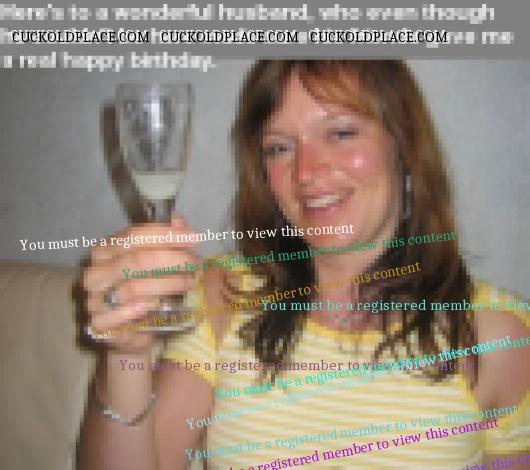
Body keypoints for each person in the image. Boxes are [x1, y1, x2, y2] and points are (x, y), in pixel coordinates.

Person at [79, 61, 530, 470]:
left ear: (405, 145)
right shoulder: (223, 297)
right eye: (279, 148)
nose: (307, 172)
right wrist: (125, 357)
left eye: (341, 133)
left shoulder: (496, 333)